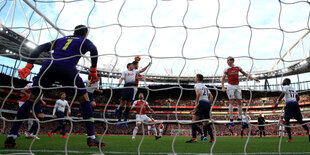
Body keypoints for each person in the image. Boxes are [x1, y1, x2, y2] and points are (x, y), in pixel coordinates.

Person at [4, 25, 105, 148]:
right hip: (68, 68)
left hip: (49, 66)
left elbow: (39, 48)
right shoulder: (85, 41)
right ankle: (91, 137)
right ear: (85, 34)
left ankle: (11, 136)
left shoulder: (61, 40)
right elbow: (94, 50)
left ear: (74, 32)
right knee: (85, 100)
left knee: (31, 99)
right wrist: (93, 70)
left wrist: (29, 66)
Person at [221, 56, 259, 126]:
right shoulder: (226, 69)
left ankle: (239, 117)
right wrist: (223, 87)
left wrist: (253, 78)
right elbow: (223, 78)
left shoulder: (238, 67)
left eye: (228, 60)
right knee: (231, 101)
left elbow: (245, 74)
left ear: (232, 61)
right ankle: (231, 119)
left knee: (239, 101)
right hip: (230, 86)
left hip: (237, 86)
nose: (227, 61)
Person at [117, 62, 151, 127]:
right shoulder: (125, 72)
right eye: (132, 65)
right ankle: (119, 120)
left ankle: (125, 120)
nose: (134, 66)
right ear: (129, 66)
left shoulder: (135, 71)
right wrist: (119, 83)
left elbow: (142, 70)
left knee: (128, 105)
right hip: (126, 87)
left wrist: (148, 65)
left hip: (132, 89)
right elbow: (121, 78)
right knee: (122, 103)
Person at [186, 74, 214, 143]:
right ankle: (212, 138)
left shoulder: (197, 85)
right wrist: (209, 104)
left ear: (197, 79)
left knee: (194, 121)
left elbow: (198, 93)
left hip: (202, 103)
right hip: (207, 103)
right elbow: (212, 97)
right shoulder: (205, 86)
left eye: (195, 77)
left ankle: (194, 138)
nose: (195, 78)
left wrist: (197, 103)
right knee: (206, 123)